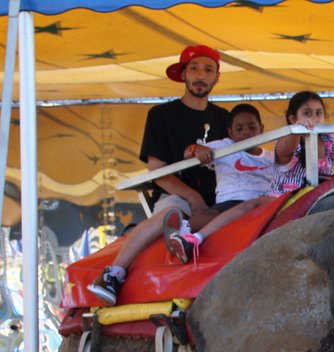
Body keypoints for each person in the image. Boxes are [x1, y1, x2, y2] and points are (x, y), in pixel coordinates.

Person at [87, 104, 274, 305]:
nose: (246, 132)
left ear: (261, 129)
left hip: (254, 204)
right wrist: (197, 150)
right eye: (240, 128)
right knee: (177, 214)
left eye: (251, 128)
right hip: (210, 201)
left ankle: (183, 235)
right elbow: (173, 162)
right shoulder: (169, 119)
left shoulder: (270, 155)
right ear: (230, 131)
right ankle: (115, 271)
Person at [88, 43, 229, 303]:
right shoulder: (161, 115)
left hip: (220, 197)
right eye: (194, 68)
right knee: (169, 213)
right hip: (176, 195)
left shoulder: (224, 117)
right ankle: (113, 273)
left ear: (217, 77)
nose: (201, 75)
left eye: (208, 70)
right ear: (183, 74)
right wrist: (191, 197)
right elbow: (157, 171)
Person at [166, 90, 334, 263]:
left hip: (316, 196)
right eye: (307, 113)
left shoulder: (331, 143)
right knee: (252, 205)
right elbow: (287, 148)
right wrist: (298, 131)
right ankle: (194, 238)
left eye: (318, 113)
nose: (313, 118)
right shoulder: (287, 140)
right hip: (286, 196)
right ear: (293, 118)